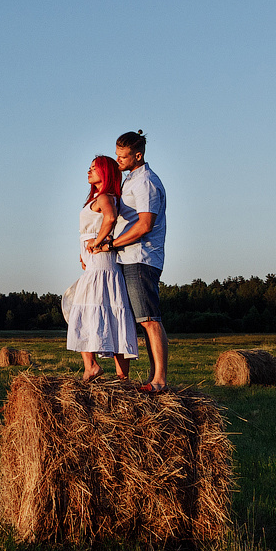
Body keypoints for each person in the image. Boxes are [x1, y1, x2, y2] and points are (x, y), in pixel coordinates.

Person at [63, 154, 137, 379]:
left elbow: (110, 218)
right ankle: (121, 376)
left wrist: (95, 243)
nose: (89, 171)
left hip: (100, 266)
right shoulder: (100, 196)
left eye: (94, 168)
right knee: (111, 312)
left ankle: (91, 367)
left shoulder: (105, 196)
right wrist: (84, 250)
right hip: (99, 264)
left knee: (85, 309)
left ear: (106, 173)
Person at [105, 131, 168, 389]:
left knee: (149, 318)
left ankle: (160, 379)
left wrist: (113, 243)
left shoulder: (146, 182)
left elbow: (145, 225)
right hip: (127, 257)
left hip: (140, 258)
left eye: (123, 156)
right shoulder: (131, 179)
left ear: (138, 155)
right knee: (133, 318)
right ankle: (133, 379)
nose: (118, 160)